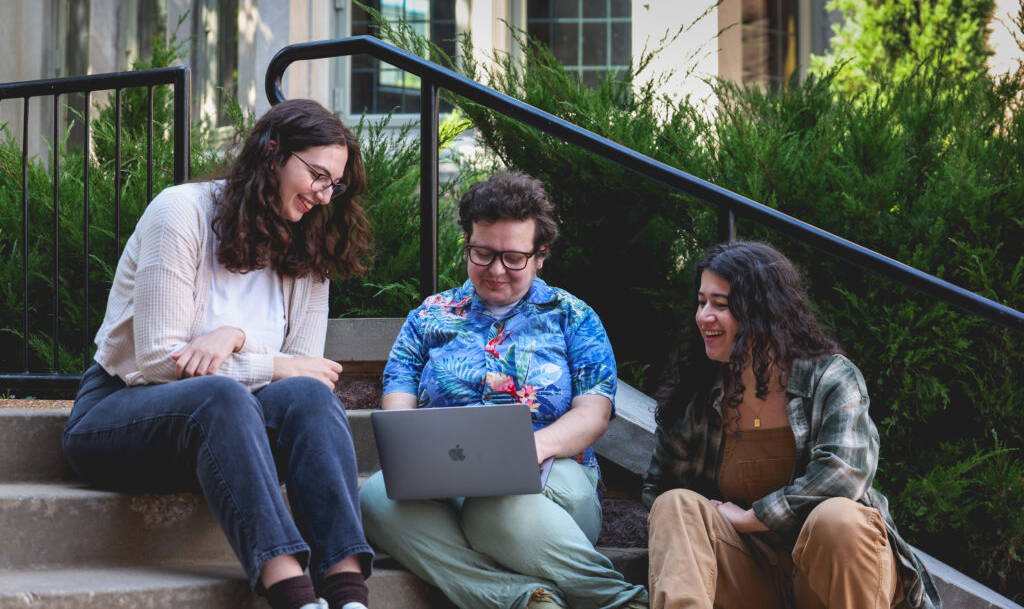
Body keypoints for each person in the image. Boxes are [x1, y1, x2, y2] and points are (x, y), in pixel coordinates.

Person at [62, 99, 375, 609]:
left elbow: (302, 379)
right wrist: (265, 358)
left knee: (311, 402)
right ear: (273, 152)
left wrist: (235, 339)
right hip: (121, 414)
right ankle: (293, 593)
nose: (323, 194)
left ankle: (348, 594)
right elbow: (161, 362)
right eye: (317, 174)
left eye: (333, 184)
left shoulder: (310, 247)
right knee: (220, 396)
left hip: (234, 436)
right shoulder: (181, 212)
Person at [359, 171, 648, 609]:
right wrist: (412, 452)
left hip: (551, 480)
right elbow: (398, 397)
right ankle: (527, 599)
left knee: (491, 508)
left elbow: (594, 412)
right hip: (446, 484)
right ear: (467, 245)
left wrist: (532, 447)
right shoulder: (428, 317)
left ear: (540, 255)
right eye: (483, 253)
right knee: (375, 497)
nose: (496, 270)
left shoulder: (574, 316)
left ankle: (620, 600)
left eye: (513, 257)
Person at [642, 241, 941, 609]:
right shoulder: (699, 392)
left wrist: (754, 516)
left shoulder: (830, 378)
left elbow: (844, 474)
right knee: (675, 505)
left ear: (763, 312)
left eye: (720, 305)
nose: (703, 316)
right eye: (702, 302)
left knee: (839, 518)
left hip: (832, 575)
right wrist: (713, 525)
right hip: (749, 575)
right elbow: (662, 487)